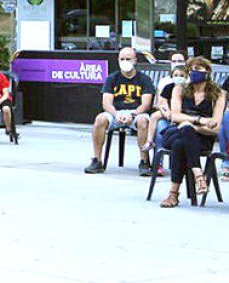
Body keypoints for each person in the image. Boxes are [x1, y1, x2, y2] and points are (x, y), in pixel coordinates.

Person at [159, 57, 225, 208]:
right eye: (191, 69)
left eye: (198, 69)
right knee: (180, 138)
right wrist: (200, 120)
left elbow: (215, 128)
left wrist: (189, 125)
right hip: (174, 131)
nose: (194, 72)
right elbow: (175, 116)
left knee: (180, 144)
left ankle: (173, 194)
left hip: (202, 138)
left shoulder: (218, 94)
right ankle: (198, 174)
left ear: (207, 72)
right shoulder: (179, 89)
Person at [85, 47, 156, 176]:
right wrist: (116, 114)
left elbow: (146, 104)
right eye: (122, 59)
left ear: (135, 60)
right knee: (100, 119)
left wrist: (132, 114)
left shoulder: (144, 79)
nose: (125, 61)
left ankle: (144, 161)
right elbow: (106, 103)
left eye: (128, 59)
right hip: (115, 113)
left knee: (143, 121)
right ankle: (96, 160)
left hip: (136, 113)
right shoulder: (112, 78)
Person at [146, 65, 187, 156]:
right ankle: (149, 140)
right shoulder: (168, 87)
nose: (178, 78)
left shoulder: (188, 90)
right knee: (154, 116)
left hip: (182, 114)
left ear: (186, 77)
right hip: (167, 112)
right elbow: (161, 102)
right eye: (176, 75)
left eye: (181, 75)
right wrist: (167, 111)